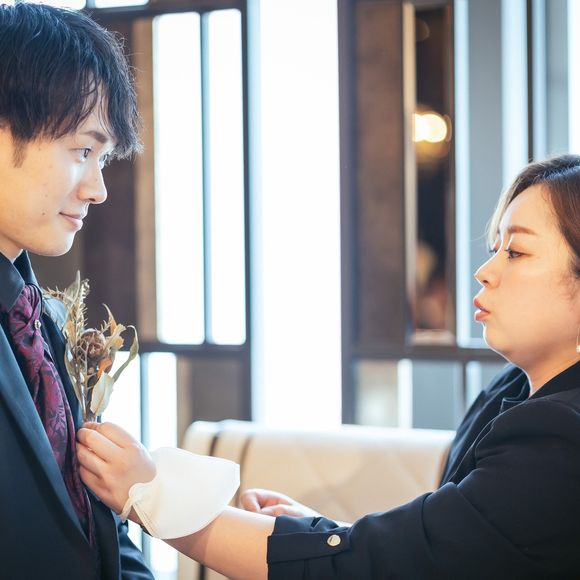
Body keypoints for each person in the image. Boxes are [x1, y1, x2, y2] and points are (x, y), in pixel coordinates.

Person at [77, 154, 580, 579]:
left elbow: (379, 563)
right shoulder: (511, 391)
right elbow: (438, 550)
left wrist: (152, 495)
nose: (485, 271)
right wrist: (321, 532)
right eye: (496, 249)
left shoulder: (559, 439)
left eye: (517, 251)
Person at [0, 3, 153, 578]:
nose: (98, 188)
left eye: (103, 158)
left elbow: (95, 521)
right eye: (83, 152)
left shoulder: (39, 316)